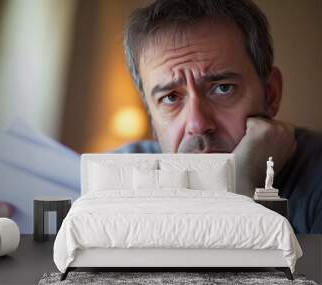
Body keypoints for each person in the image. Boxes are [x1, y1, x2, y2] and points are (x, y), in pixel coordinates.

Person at [114, 0, 322, 234]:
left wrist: (242, 186)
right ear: (151, 115)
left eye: (223, 88)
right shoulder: (114, 179)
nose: (198, 124)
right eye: (171, 97)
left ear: (271, 94)